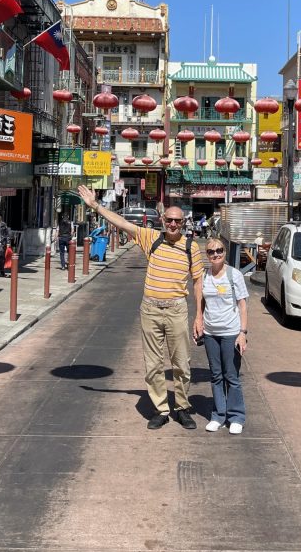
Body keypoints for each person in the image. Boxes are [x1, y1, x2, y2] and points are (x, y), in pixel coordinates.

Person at [77, 184, 204, 430]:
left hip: (177, 309)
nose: (173, 225)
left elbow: (198, 282)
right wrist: (95, 206)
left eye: (178, 221)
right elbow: (122, 223)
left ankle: (181, 406)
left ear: (184, 222)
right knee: (153, 363)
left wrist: (199, 316)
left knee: (181, 363)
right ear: (163, 220)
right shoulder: (151, 238)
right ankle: (161, 409)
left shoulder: (191, 247)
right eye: (169, 220)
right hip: (151, 309)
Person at [194, 237, 249, 434]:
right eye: (211, 251)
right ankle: (218, 414)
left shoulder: (235, 275)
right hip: (210, 333)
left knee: (231, 376)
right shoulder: (204, 275)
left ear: (225, 252)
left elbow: (242, 306)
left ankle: (236, 416)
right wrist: (198, 322)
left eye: (219, 250)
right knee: (216, 375)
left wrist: (242, 333)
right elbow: (201, 302)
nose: (216, 254)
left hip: (231, 332)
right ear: (207, 255)